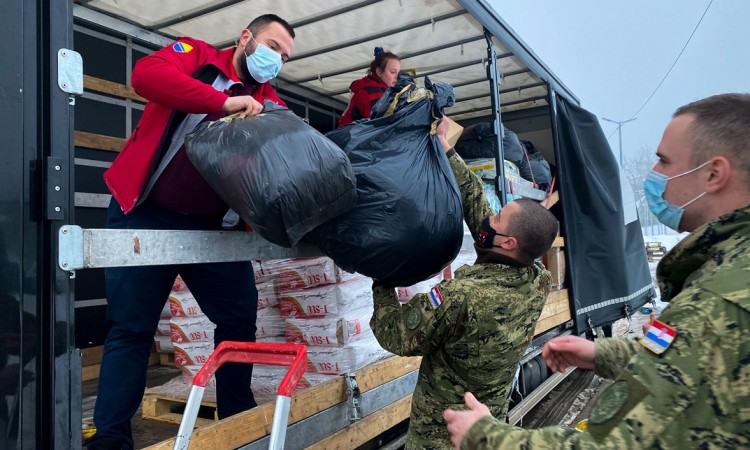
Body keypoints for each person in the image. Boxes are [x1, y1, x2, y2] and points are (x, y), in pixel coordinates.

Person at [444, 93, 750, 450]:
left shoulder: (718, 302)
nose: (654, 175)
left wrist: (486, 437)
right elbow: (684, 366)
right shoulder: (726, 275)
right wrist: (602, 354)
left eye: (664, 162)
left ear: (714, 174)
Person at [86, 15, 295, 450]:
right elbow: (147, 75)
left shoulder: (270, 102)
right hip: (146, 214)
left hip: (214, 230)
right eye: (272, 46)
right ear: (246, 38)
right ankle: (110, 440)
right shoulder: (195, 56)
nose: (276, 59)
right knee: (130, 329)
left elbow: (291, 154)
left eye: (285, 56)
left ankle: (238, 425)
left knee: (238, 320)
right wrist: (223, 105)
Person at [369, 118, 560, 449]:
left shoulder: (461, 297)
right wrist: (447, 149)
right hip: (486, 428)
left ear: (509, 243)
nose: (488, 218)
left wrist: (381, 278)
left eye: (497, 219)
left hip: (440, 436)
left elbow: (395, 335)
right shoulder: (537, 280)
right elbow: (477, 203)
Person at [337, 47, 401, 127]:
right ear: (379, 72)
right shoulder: (373, 94)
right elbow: (377, 127)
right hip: (351, 137)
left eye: (398, 73)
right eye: (393, 72)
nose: (397, 77)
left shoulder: (379, 91)